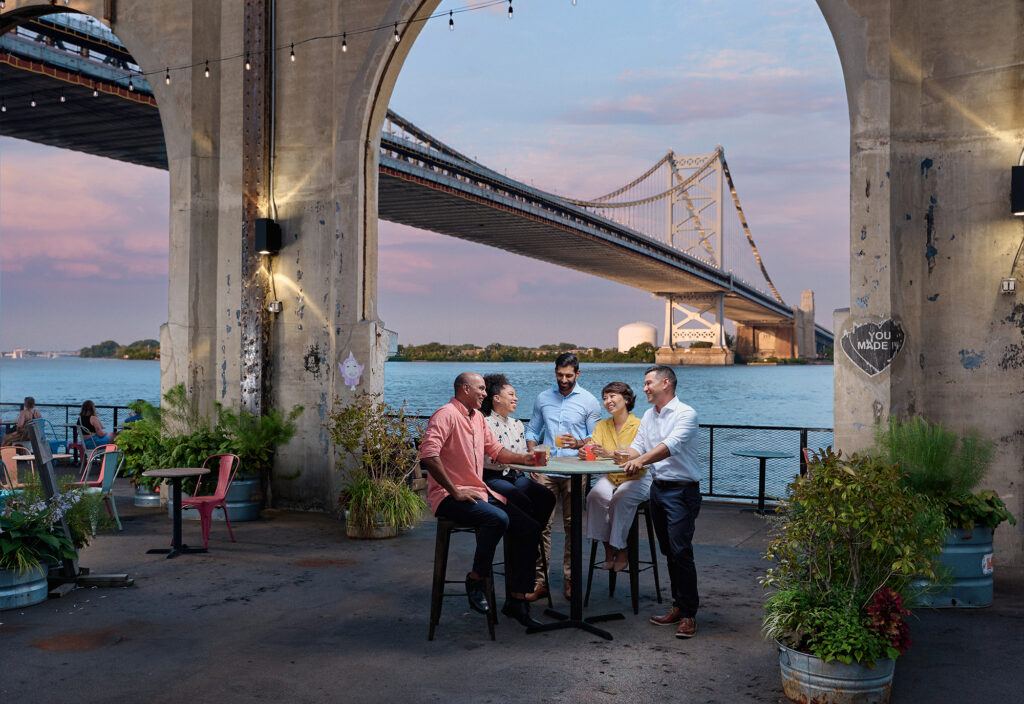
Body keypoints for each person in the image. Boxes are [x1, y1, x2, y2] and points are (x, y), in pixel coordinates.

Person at [419, 372, 546, 628]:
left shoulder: (477, 418)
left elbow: (495, 450)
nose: (485, 394)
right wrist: (454, 490)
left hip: (477, 492)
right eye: (481, 389)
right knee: (497, 518)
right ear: (465, 389)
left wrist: (526, 459)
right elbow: (428, 455)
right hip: (449, 497)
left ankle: (517, 601)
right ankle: (476, 579)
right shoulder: (445, 414)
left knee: (529, 527)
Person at [619, 365, 702, 639]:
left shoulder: (686, 414)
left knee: (681, 551)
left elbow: (670, 445)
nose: (644, 388)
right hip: (658, 489)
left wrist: (639, 461)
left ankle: (689, 614)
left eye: (648, 383)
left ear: (665, 383)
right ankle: (678, 606)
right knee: (668, 551)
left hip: (682, 491)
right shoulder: (647, 414)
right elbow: (639, 444)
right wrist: (626, 455)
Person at [524, 352, 602, 601]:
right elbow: (533, 429)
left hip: (574, 472)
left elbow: (595, 439)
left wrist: (578, 441)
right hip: (546, 470)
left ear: (578, 374)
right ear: (555, 372)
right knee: (541, 526)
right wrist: (532, 456)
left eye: (569, 375)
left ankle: (571, 580)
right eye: (560, 375)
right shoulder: (543, 398)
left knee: (572, 526)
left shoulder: (589, 401)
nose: (564, 379)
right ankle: (540, 581)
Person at [481, 374, 556, 556]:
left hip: (515, 475)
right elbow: (488, 459)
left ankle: (530, 539)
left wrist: (530, 462)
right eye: (511, 394)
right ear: (496, 398)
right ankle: (526, 543)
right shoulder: (483, 423)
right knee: (520, 497)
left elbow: (523, 454)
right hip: (493, 477)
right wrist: (520, 459)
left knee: (547, 497)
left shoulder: (517, 425)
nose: (516, 398)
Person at [581, 382, 650, 572]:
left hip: (637, 476)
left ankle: (621, 549)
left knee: (619, 500)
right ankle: (608, 547)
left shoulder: (640, 424)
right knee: (594, 497)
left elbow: (635, 454)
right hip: (612, 476)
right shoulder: (602, 426)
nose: (607, 401)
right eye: (605, 397)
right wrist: (585, 452)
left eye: (612, 396)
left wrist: (608, 452)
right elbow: (595, 449)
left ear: (626, 399)